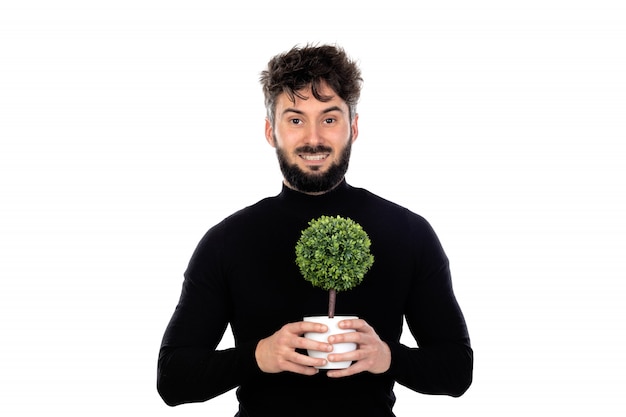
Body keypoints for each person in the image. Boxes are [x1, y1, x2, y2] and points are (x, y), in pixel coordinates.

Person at [157, 44, 473, 416]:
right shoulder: (228, 241)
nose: (313, 138)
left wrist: (387, 356)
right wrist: (259, 355)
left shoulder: (408, 233)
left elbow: (457, 370)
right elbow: (172, 380)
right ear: (270, 131)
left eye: (329, 118)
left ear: (352, 127)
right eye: (294, 119)